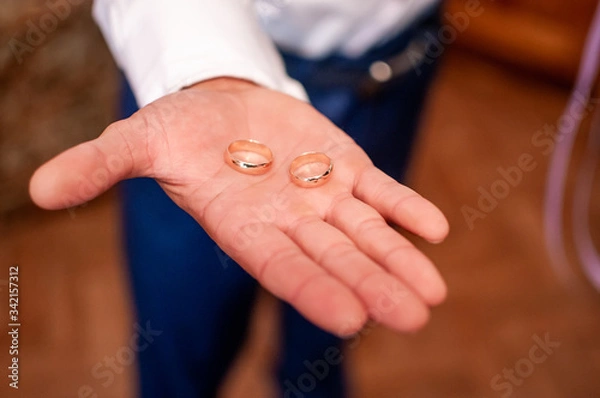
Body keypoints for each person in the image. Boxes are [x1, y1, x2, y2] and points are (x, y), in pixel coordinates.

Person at [29, 1, 450, 397]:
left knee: (332, 322)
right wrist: (215, 76)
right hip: (198, 77)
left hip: (404, 65)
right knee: (181, 342)